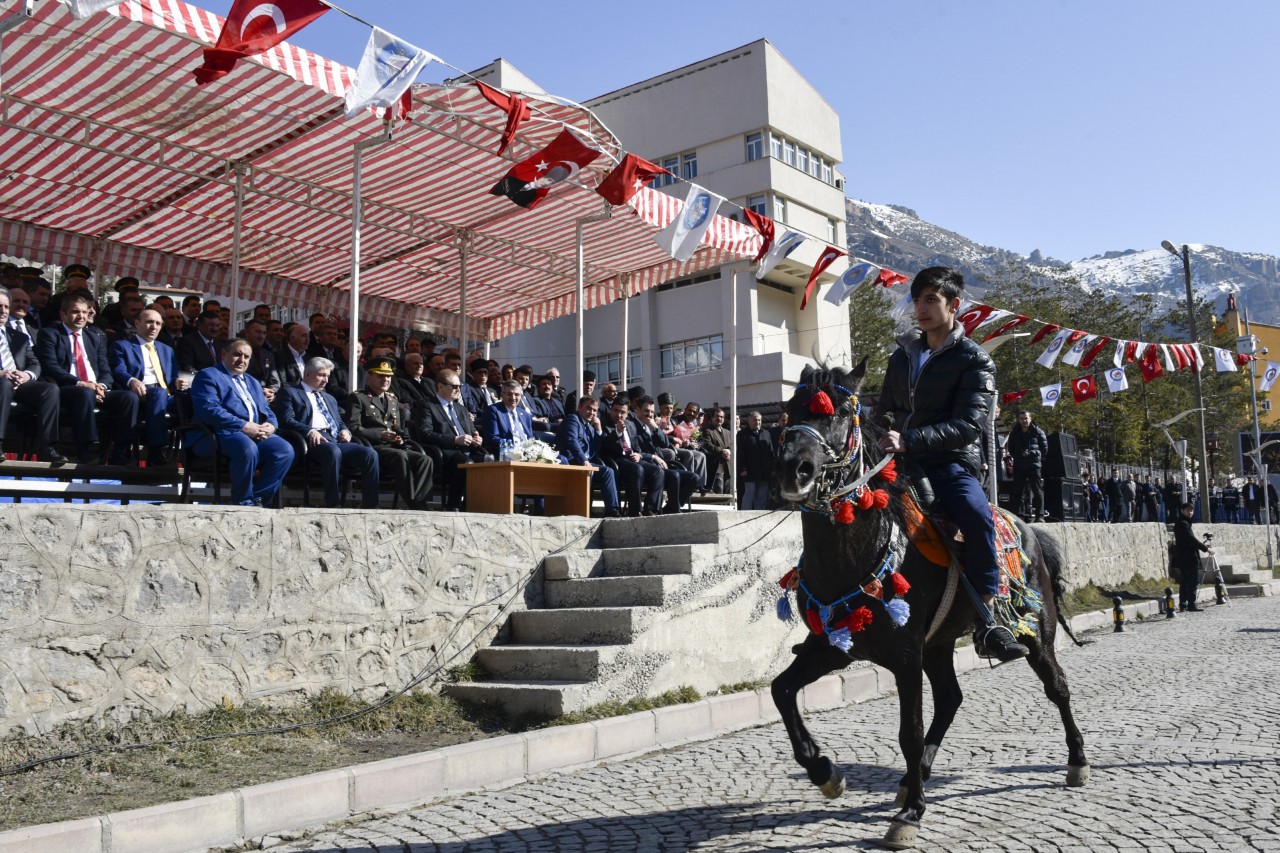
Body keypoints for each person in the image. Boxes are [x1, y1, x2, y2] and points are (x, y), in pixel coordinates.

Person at [876, 266, 1026, 662]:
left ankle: (989, 620)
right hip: (901, 463)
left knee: (977, 517)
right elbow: (884, 410)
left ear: (953, 305)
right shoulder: (902, 355)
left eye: (931, 300)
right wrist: (882, 433)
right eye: (918, 299)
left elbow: (967, 425)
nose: (921, 308)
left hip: (951, 463)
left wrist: (909, 439)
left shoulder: (974, 361)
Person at [34, 290, 139, 465]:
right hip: (67, 388)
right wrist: (81, 383)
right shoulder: (50, 334)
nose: (81, 316)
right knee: (84, 393)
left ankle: (121, 450)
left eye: (85, 312)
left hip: (96, 388)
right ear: (63, 314)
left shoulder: (95, 337)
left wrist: (102, 386)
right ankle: (87, 447)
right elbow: (50, 367)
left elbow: (105, 370)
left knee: (128, 398)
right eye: (76, 311)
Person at [189, 338, 294, 506]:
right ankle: (243, 502)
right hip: (220, 432)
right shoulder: (208, 375)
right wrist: (243, 426)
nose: (242, 360)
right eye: (237, 354)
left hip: (255, 432)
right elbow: (209, 410)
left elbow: (266, 411)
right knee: (247, 448)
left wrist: (271, 425)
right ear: (224, 354)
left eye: (246, 357)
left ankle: (258, 500)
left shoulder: (252, 381)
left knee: (284, 450)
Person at [276, 357, 380, 509]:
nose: (326, 380)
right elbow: (286, 420)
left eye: (328, 376)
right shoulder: (290, 392)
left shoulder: (329, 398)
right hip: (309, 441)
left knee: (370, 454)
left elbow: (339, 421)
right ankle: (333, 503)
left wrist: (345, 430)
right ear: (307, 374)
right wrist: (310, 430)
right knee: (333, 451)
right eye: (321, 375)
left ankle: (372, 505)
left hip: (334, 439)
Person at [346, 356, 433, 509]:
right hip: (372, 447)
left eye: (388, 376)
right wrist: (380, 435)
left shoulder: (392, 400)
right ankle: (413, 503)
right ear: (370, 376)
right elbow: (353, 427)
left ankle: (420, 501)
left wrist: (400, 439)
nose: (385, 379)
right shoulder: (358, 397)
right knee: (400, 456)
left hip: (393, 446)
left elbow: (398, 428)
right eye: (381, 375)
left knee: (425, 459)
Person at [110, 307, 187, 467]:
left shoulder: (167, 350)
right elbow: (118, 370)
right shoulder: (122, 346)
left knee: (193, 398)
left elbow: (171, 378)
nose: (154, 327)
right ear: (137, 324)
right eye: (149, 322)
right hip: (138, 392)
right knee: (158, 393)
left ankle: (194, 453)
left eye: (158, 323)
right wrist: (132, 380)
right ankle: (156, 451)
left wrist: (177, 382)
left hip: (164, 395)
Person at [0, 287, 63, 463]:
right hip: (2, 383)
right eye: (0, 306)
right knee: (3, 384)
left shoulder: (19, 336)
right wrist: (2, 373)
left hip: (18, 383)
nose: (3, 311)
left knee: (49, 389)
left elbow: (34, 363)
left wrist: (26, 375)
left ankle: (47, 447)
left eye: (6, 307)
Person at [413, 368, 485, 510]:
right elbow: (425, 434)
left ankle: (475, 505)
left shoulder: (461, 409)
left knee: (490, 462)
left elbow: (471, 431)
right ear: (440, 386)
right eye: (454, 386)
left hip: (467, 448)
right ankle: (454, 505)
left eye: (460, 386)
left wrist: (477, 438)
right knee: (466, 463)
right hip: (444, 450)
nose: (458, 390)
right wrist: (454, 439)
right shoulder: (427, 405)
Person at [555, 395, 621, 517]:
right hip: (571, 461)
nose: (591, 412)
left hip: (587, 462)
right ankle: (583, 511)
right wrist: (584, 460)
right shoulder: (573, 419)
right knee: (588, 472)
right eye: (588, 408)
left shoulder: (589, 426)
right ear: (580, 407)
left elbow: (596, 448)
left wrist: (598, 429)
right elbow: (572, 441)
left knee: (608, 471)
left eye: (595, 410)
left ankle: (612, 510)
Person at [600, 398, 664, 516]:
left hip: (632, 457)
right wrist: (617, 432)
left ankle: (650, 508)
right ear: (611, 410)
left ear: (628, 413)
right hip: (615, 459)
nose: (619, 415)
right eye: (616, 410)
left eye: (623, 412)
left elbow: (637, 447)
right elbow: (603, 445)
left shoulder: (631, 424)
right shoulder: (604, 423)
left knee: (657, 471)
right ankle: (635, 510)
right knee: (637, 469)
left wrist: (639, 455)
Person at [1006, 410, 1047, 521]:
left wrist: (1034, 456)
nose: (1024, 421)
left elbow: (1044, 449)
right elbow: (1011, 448)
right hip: (1019, 465)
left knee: (1037, 491)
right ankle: (1020, 515)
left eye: (1026, 418)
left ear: (1030, 418)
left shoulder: (1038, 432)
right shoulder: (1014, 432)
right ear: (1019, 420)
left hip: (1034, 465)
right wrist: (1019, 456)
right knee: (1019, 491)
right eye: (1022, 418)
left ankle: (1040, 515)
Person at [1171, 501, 1211, 612]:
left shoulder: (1184, 522)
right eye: (1188, 510)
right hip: (1187, 557)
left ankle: (1183, 604)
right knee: (1193, 580)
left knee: (1185, 581)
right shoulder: (1183, 523)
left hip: (1184, 556)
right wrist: (1206, 548)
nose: (1190, 512)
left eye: (1192, 510)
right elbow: (1191, 539)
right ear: (1182, 511)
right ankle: (1191, 604)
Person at [481, 379, 536, 458]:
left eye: (516, 394)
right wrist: (514, 447)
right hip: (506, 454)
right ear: (502, 394)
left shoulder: (525, 415)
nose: (513, 398)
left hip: (528, 454)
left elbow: (530, 438)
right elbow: (492, 438)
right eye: (509, 394)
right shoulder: (494, 411)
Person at [736, 411, 774, 510]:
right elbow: (740, 453)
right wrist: (742, 468)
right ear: (749, 421)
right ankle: (745, 515)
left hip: (764, 471)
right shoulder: (742, 434)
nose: (757, 422)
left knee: (762, 496)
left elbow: (771, 452)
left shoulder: (766, 433)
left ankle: (759, 515)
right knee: (749, 494)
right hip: (749, 471)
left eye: (759, 420)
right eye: (755, 420)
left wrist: (772, 468)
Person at [700, 407, 733, 494]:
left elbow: (732, 445)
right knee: (718, 489)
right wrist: (722, 451)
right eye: (717, 416)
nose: (719, 419)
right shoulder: (707, 431)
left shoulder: (728, 432)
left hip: (728, 464)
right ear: (712, 418)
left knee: (728, 490)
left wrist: (729, 451)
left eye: (722, 417)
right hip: (717, 464)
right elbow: (707, 445)